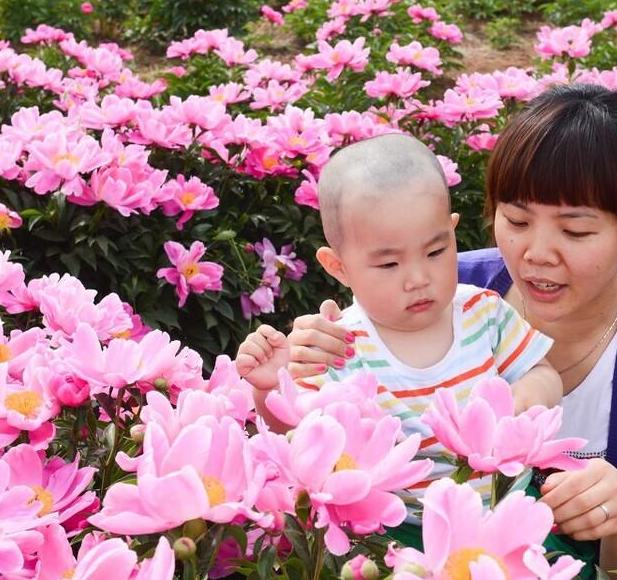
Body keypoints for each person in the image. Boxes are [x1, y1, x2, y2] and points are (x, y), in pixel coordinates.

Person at [281, 85, 617, 580]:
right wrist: (297, 359)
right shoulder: (445, 291)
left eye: (575, 231)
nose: (537, 252)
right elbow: (346, 375)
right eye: (516, 219)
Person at [235, 132, 564, 508]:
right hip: (398, 530)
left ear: (453, 233)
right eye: (390, 263)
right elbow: (298, 437)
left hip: (508, 505)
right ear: (338, 267)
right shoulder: (337, 345)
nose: (418, 278)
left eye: (436, 251)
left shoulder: (483, 313)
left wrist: (530, 394)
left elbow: (544, 371)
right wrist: (267, 390)